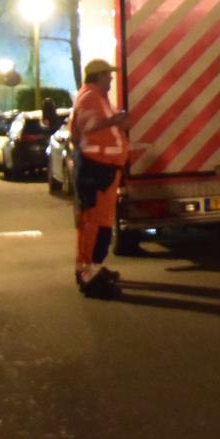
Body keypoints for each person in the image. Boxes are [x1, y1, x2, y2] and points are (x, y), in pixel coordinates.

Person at [70, 59, 133, 298]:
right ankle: (90, 274)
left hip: (101, 169)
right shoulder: (90, 98)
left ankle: (90, 267)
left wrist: (119, 122)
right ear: (98, 76)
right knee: (95, 223)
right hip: (96, 169)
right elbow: (89, 125)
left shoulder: (97, 97)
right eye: (108, 75)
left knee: (97, 222)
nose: (111, 78)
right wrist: (114, 121)